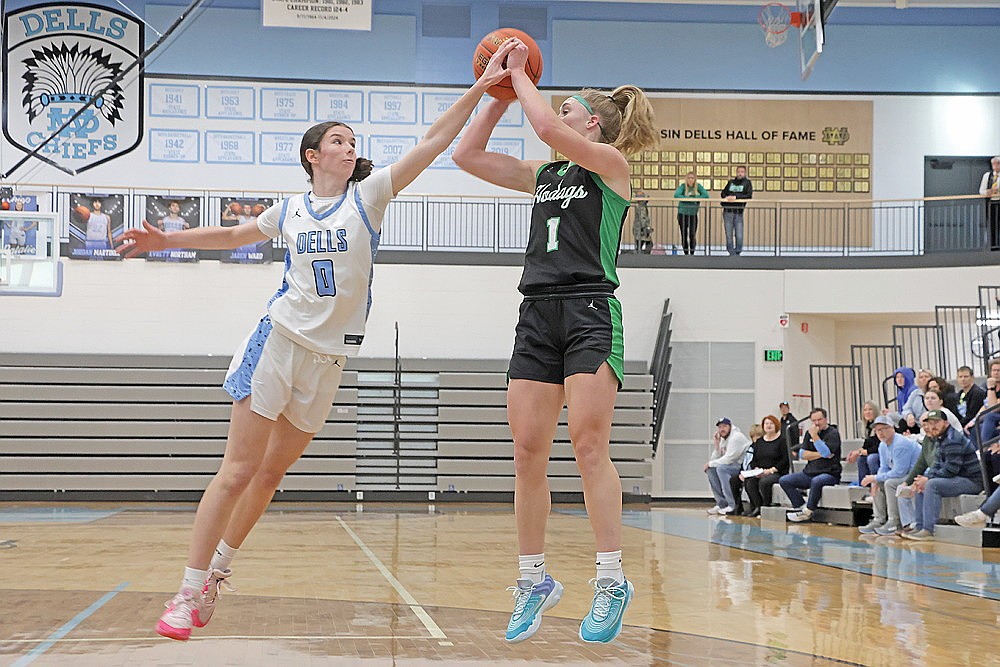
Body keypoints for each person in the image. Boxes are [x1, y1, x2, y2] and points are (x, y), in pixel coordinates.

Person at [114, 43, 518, 642]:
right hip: (278, 342)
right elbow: (231, 236)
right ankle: (186, 590)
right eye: (338, 140)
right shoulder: (291, 211)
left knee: (270, 476)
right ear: (313, 155)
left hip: (330, 359)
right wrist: (163, 241)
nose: (350, 147)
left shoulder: (369, 196)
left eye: (353, 141)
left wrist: (482, 88)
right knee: (238, 470)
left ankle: (218, 572)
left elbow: (434, 142)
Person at [452, 39, 659, 645]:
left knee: (589, 446)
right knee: (527, 452)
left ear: (591, 124)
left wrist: (519, 75)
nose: (554, 115)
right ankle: (533, 578)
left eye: (568, 109)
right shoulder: (545, 175)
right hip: (537, 314)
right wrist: (496, 93)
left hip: (590, 309)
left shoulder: (610, 166)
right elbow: (466, 155)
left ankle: (611, 578)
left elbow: (543, 123)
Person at [902, 410, 983, 541]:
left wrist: (928, 479)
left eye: (936, 422)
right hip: (958, 478)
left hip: (972, 481)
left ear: (946, 423)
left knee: (931, 484)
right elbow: (937, 464)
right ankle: (919, 526)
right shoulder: (940, 437)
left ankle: (929, 530)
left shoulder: (953, 439)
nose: (932, 426)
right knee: (921, 483)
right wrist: (924, 479)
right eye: (930, 423)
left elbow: (951, 470)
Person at [857, 416, 921, 536]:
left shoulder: (901, 444)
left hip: (916, 475)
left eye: (884, 429)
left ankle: (894, 521)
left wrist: (875, 477)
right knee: (877, 482)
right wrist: (876, 479)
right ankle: (879, 519)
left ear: (892, 428)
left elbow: (899, 472)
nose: (880, 433)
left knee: (890, 483)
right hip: (904, 474)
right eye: (877, 430)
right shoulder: (882, 445)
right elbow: (884, 467)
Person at [779, 407, 842, 523]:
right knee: (784, 480)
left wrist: (815, 437)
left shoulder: (833, 433)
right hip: (809, 472)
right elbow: (803, 454)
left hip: (829, 473)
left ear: (826, 419)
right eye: (814, 420)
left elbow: (827, 452)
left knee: (817, 481)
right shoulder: (809, 433)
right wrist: (821, 454)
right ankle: (801, 507)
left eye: (819, 420)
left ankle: (808, 511)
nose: (816, 423)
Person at [739, 415, 790, 518]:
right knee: (749, 481)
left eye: (771, 423)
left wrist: (771, 470)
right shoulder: (759, 442)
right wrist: (756, 469)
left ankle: (766, 506)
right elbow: (754, 460)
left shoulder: (782, 441)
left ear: (776, 426)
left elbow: (785, 460)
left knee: (764, 482)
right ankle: (758, 506)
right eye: (766, 423)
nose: (769, 426)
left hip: (776, 472)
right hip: (760, 471)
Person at [703, 417, 752, 516]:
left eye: (725, 426)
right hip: (732, 466)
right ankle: (722, 504)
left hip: (744, 467)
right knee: (711, 470)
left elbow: (728, 459)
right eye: (720, 427)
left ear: (730, 427)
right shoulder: (723, 439)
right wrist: (717, 445)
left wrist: (710, 463)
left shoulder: (736, 437)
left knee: (722, 469)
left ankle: (732, 505)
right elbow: (715, 459)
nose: (722, 429)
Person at [729, 423, 763, 515]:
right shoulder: (750, 448)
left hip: (756, 472)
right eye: (754, 436)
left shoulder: (761, 448)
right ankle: (738, 506)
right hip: (747, 472)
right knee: (733, 480)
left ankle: (756, 506)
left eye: (758, 436)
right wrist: (742, 473)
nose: (756, 438)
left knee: (750, 482)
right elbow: (745, 462)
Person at [672, 172, 708, 255]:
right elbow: (676, 195)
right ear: (686, 179)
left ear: (695, 179)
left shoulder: (698, 186)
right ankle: (685, 252)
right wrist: (688, 198)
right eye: (689, 178)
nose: (690, 180)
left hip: (693, 214)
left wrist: (695, 198)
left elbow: (706, 195)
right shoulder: (683, 186)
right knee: (684, 234)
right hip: (682, 214)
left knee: (692, 234)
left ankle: (692, 252)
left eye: (692, 178)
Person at [846, 401, 880, 488]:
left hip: (884, 453)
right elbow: (866, 445)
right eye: (865, 410)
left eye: (870, 409)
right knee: (861, 459)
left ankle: (876, 485)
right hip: (874, 451)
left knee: (871, 458)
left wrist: (863, 452)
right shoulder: (867, 426)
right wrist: (855, 452)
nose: (867, 412)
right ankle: (864, 486)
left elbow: (879, 446)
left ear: (875, 411)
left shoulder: (880, 424)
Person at [720, 165, 752, 256]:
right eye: (738, 172)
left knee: (739, 235)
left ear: (745, 173)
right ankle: (731, 253)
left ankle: (738, 251)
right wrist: (728, 197)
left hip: (738, 212)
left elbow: (748, 195)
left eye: (742, 172)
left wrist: (736, 197)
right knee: (729, 234)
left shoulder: (747, 183)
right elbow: (723, 193)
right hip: (728, 211)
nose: (740, 173)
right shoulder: (731, 182)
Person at [954, 365, 986, 433]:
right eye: (960, 377)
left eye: (966, 376)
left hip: (975, 425)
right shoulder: (960, 393)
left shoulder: (977, 393)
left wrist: (957, 426)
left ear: (972, 378)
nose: (963, 379)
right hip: (963, 424)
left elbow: (971, 414)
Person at [979, 156, 1000, 250]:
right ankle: (993, 247)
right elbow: (981, 191)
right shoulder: (987, 176)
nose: (996, 166)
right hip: (991, 204)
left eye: (998, 163)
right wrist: (989, 191)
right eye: (994, 164)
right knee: (992, 226)